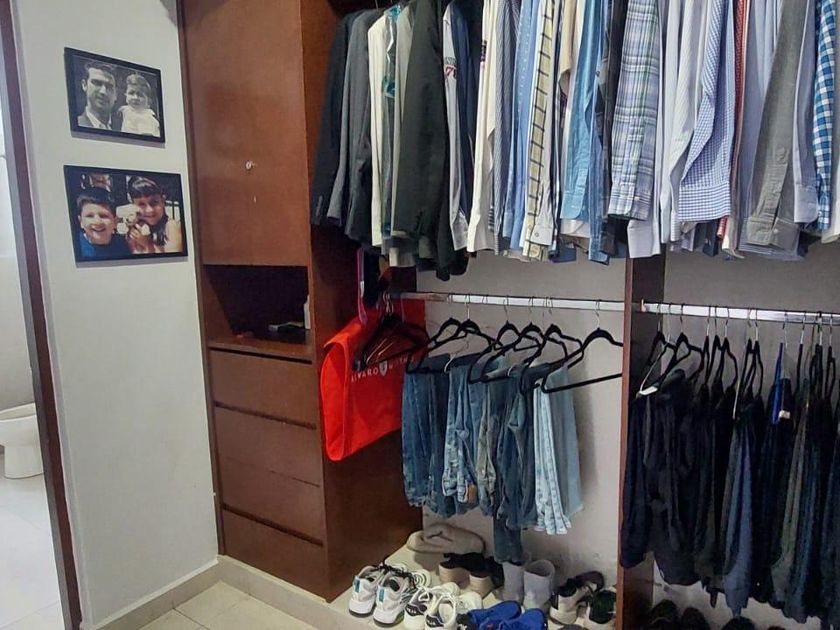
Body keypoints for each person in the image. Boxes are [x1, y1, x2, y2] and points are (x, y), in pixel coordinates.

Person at [125, 176, 184, 254]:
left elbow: (174, 259)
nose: (149, 210)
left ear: (163, 201)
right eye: (141, 204)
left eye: (154, 202)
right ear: (133, 205)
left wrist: (147, 244)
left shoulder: (171, 227)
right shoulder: (134, 229)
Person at [75, 187, 131, 259]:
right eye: (90, 216)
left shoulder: (125, 245)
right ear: (81, 221)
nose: (97, 222)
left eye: (103, 216)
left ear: (115, 221)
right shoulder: (75, 247)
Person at [77, 61, 117, 130]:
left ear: (116, 94)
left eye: (109, 86)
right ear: (84, 85)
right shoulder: (77, 124)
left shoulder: (124, 129)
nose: (103, 91)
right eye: (97, 83)